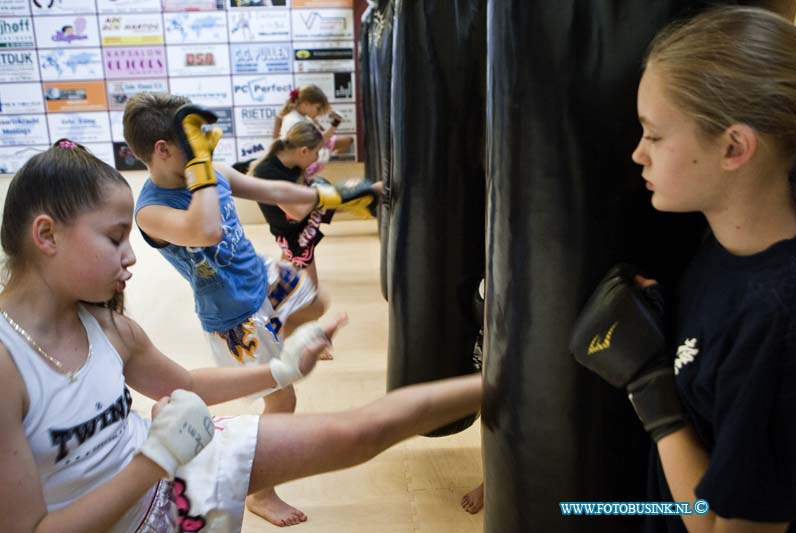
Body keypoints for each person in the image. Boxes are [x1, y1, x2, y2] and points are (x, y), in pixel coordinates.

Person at [0, 139, 483, 532]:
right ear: (46, 235)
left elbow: (185, 383)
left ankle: (510, 382)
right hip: (145, 486)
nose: (130, 256)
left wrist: (281, 367)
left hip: (172, 479)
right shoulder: (9, 361)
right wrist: (157, 458)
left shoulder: (106, 325)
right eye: (114, 238)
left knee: (357, 432)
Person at [570, 7, 796, 531]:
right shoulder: (717, 249)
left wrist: (651, 390)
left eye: (653, 135)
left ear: (734, 147)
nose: (637, 154)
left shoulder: (780, 323)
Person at [122, 92, 376, 526]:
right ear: (162, 150)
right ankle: (260, 492)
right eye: (193, 145)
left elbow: (270, 187)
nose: (205, 151)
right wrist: (202, 168)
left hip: (261, 276)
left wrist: (330, 198)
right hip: (232, 317)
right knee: (284, 398)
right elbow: (205, 230)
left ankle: (278, 340)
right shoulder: (151, 210)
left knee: (317, 301)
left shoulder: (212, 171)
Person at [250, 121, 380, 289]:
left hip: (297, 227)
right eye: (317, 152)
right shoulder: (268, 172)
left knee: (288, 289)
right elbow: (299, 212)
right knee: (309, 291)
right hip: (293, 234)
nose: (317, 157)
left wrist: (365, 192)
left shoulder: (294, 165)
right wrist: (338, 196)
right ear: (303, 151)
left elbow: (315, 204)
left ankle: (274, 307)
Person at [274, 85, 354, 175]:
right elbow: (318, 142)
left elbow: (320, 140)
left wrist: (334, 124)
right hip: (295, 170)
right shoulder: (293, 120)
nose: (318, 112)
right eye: (318, 108)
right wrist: (334, 124)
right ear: (305, 104)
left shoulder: (304, 118)